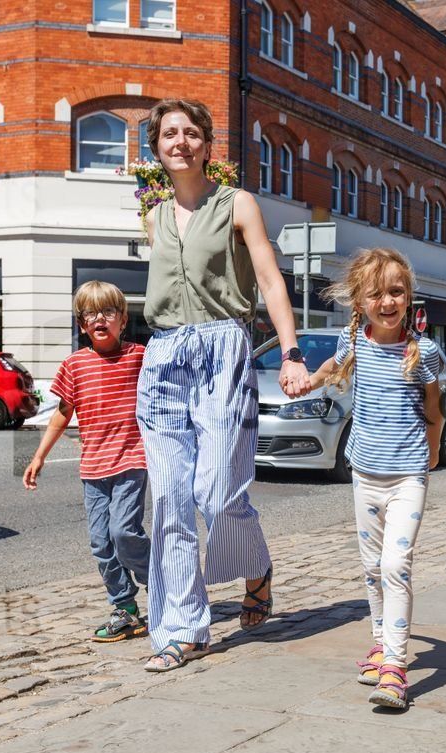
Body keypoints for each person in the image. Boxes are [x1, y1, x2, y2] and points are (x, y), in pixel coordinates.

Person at [137, 98, 311, 672]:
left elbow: (267, 276)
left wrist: (290, 352)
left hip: (221, 350)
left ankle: (254, 566)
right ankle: (183, 629)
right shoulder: (154, 214)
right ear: (157, 147)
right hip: (163, 356)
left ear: (208, 146)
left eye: (191, 133)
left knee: (216, 490)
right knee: (169, 499)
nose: (180, 142)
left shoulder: (238, 204)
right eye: (169, 134)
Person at [309, 248, 443, 709]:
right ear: (360, 301)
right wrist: (305, 381)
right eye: (376, 294)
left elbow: (434, 410)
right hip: (364, 473)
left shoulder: (423, 351)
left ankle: (396, 668)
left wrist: (431, 455)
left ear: (409, 297)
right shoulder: (356, 343)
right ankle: (380, 642)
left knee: (394, 568)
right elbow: (331, 368)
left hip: (407, 476)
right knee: (371, 569)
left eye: (396, 292)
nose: (387, 302)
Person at [23, 281, 150, 643]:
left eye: (108, 312)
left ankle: (162, 582)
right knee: (101, 543)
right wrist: (38, 457)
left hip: (131, 459)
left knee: (124, 533)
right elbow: (63, 415)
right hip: (93, 467)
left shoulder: (139, 357)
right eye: (91, 314)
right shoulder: (74, 366)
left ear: (122, 320)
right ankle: (124, 609)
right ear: (81, 325)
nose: (100, 319)